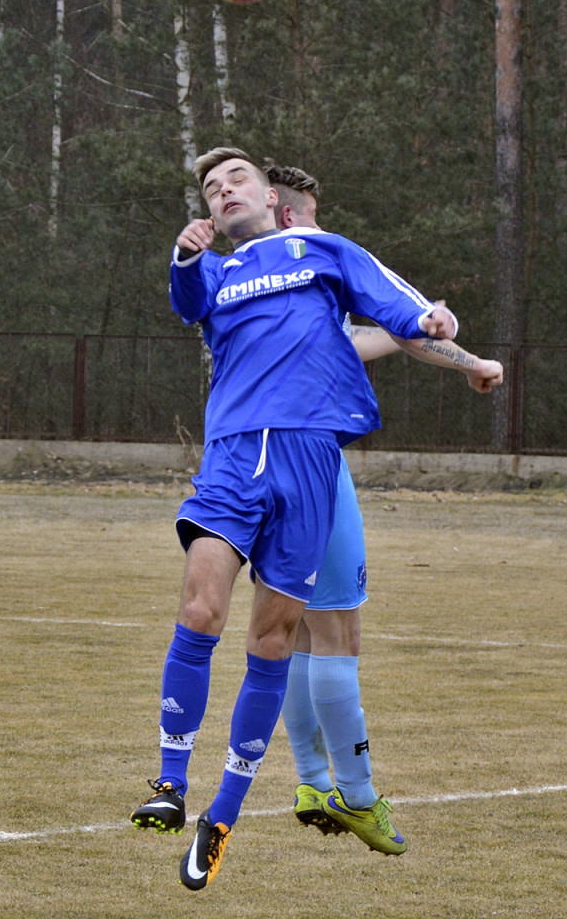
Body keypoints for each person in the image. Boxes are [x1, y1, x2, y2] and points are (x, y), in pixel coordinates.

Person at [129, 148, 459, 891]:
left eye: (234, 179)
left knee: (273, 637)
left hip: (310, 462)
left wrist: (441, 325)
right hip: (232, 456)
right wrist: (184, 259)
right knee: (200, 606)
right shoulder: (214, 270)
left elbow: (400, 309)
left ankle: (222, 815)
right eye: (212, 190)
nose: (222, 192)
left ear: (271, 198)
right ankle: (168, 785)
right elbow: (187, 304)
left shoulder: (325, 252)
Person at [263, 161, 503, 851]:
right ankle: (360, 797)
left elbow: (379, 340)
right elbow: (407, 324)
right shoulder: (321, 258)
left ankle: (311, 779)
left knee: (300, 632)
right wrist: (473, 361)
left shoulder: (238, 279)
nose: (314, 227)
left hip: (251, 465)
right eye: (307, 215)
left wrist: (461, 360)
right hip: (311, 461)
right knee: (339, 636)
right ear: (285, 213)